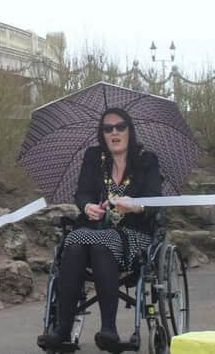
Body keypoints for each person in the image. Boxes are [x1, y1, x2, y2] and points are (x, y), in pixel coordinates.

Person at [38, 107, 163, 352]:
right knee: (74, 243)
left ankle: (109, 329)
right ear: (102, 133)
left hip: (133, 234)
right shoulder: (94, 157)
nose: (114, 132)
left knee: (99, 243)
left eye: (120, 127)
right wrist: (87, 207)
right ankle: (62, 329)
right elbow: (82, 193)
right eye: (108, 128)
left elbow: (154, 200)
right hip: (95, 227)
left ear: (129, 130)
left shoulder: (146, 160)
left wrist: (134, 206)